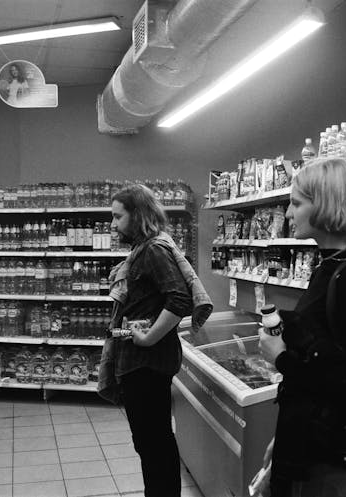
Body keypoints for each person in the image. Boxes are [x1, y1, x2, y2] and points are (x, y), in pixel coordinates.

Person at [258, 158, 346, 497]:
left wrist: (281, 359)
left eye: (296, 203)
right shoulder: (329, 267)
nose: (288, 214)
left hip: (344, 453)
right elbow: (327, 361)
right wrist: (286, 437)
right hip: (319, 438)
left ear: (324, 205)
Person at [105, 184, 193, 497]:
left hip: (147, 363)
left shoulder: (153, 250)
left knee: (153, 442)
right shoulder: (143, 249)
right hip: (140, 362)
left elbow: (179, 299)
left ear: (138, 215)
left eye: (118, 217)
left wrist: (149, 338)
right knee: (149, 442)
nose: (113, 225)